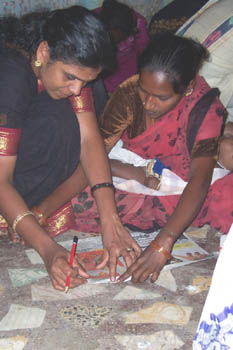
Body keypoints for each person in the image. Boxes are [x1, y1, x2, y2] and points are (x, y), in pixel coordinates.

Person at [70, 32, 233, 283]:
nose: (149, 104)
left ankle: (168, 223)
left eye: (162, 98)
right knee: (79, 197)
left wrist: (163, 243)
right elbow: (94, 155)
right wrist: (41, 211)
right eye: (144, 92)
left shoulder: (203, 107)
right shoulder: (128, 94)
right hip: (141, 179)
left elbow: (200, 180)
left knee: (226, 199)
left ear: (188, 88)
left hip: (188, 185)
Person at [0, 6, 141, 291]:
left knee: (79, 108)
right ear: (43, 53)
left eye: (83, 80)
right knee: (56, 124)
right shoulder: (11, 79)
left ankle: (31, 211)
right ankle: (20, 214)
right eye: (70, 77)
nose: (77, 89)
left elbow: (90, 141)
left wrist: (110, 222)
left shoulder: (69, 68)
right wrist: (48, 249)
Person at [94, 0, 149, 94]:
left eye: (119, 39)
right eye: (112, 39)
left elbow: (144, 50)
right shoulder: (94, 20)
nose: (115, 43)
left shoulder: (138, 24)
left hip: (128, 63)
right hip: (102, 63)